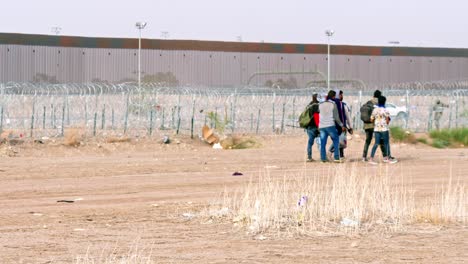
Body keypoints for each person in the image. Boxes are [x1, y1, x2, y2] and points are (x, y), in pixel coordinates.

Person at [361, 90, 392, 162]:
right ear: (379, 96)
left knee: (367, 141)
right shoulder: (378, 103)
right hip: (376, 126)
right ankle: (386, 157)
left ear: (373, 95)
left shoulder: (368, 102)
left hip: (366, 125)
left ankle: (364, 157)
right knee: (381, 142)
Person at [369, 96, 398, 164]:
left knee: (376, 143)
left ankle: (371, 159)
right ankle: (387, 158)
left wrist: (376, 123)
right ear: (384, 102)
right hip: (384, 129)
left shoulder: (375, 110)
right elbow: (387, 121)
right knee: (386, 144)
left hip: (376, 129)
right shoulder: (385, 110)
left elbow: (371, 119)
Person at [319, 90, 346, 163]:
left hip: (321, 126)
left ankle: (323, 158)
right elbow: (336, 117)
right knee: (336, 140)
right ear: (334, 96)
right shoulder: (333, 104)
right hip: (330, 125)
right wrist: (341, 125)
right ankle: (336, 157)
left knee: (323, 143)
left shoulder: (320, 105)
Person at [329, 90, 353, 159]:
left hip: (333, 126)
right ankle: (330, 152)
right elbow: (347, 117)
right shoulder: (342, 105)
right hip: (340, 126)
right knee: (340, 141)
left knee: (339, 141)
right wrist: (350, 127)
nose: (342, 96)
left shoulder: (331, 104)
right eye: (341, 95)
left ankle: (341, 155)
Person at [305, 93, 320, 162]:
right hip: (316, 126)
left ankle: (309, 156)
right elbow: (317, 116)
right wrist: (318, 126)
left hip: (309, 126)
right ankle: (323, 156)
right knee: (320, 141)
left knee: (310, 142)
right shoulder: (318, 105)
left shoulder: (309, 105)